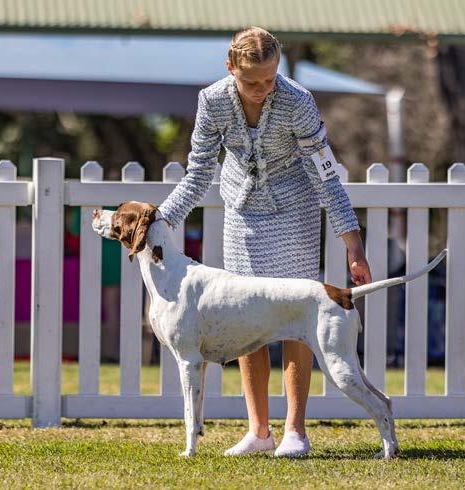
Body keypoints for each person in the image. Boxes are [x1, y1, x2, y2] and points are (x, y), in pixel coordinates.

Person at [158, 26, 372, 458]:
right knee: (246, 317)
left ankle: (295, 431)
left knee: (297, 316)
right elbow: (199, 172)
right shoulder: (211, 101)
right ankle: (259, 431)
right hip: (241, 215)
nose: (263, 89)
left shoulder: (298, 101)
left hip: (295, 211)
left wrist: (353, 245)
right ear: (230, 68)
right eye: (252, 81)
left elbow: (326, 176)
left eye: (270, 78)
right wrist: (161, 222)